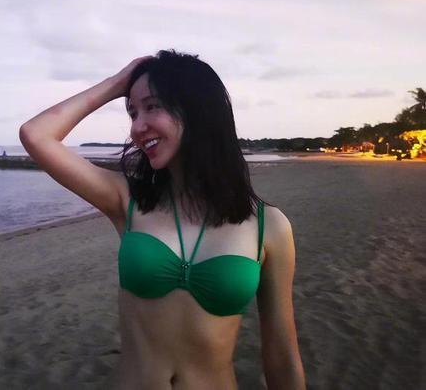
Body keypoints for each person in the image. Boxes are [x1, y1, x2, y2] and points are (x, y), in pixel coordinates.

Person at [19, 49, 305, 389]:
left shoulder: (269, 227)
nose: (137, 128)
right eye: (132, 112)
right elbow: (36, 134)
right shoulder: (127, 200)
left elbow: (282, 355)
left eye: (152, 107)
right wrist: (117, 83)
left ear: (197, 109)